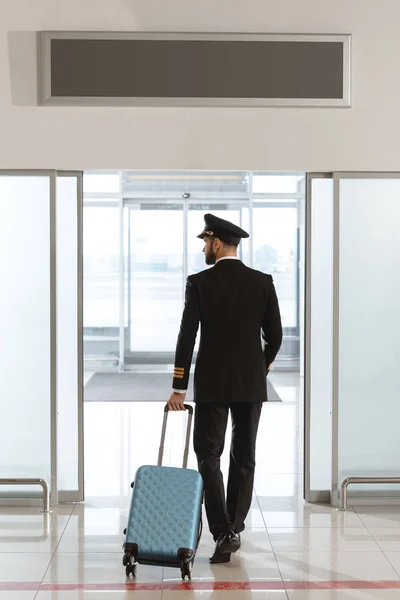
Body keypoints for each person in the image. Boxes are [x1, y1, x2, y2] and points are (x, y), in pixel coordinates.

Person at [168, 213, 282, 564]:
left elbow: (187, 337)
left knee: (207, 453)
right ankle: (234, 525)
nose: (204, 247)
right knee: (244, 457)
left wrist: (179, 387)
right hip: (250, 383)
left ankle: (222, 531)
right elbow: (275, 336)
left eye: (205, 242)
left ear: (217, 243)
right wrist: (258, 366)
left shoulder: (199, 282)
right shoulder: (262, 282)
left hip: (213, 383)